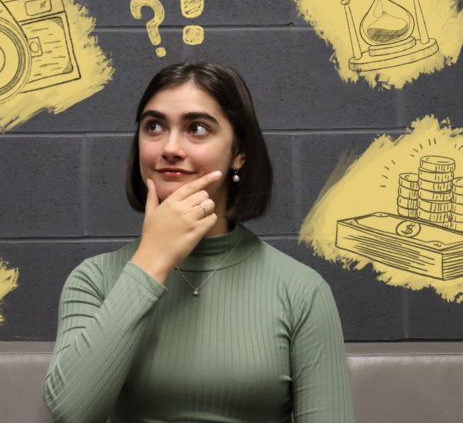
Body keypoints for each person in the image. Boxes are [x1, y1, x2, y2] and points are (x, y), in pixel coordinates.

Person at [43, 62, 355, 422]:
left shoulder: (301, 291)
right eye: (154, 126)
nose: (170, 148)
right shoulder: (94, 280)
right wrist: (151, 262)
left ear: (239, 152)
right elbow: (71, 411)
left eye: (197, 128)